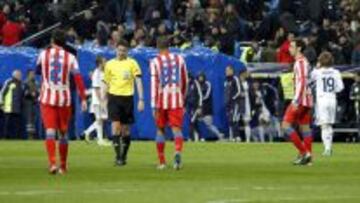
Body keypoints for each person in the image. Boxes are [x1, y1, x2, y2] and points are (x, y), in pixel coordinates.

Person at [37, 29, 87, 174]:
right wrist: (83, 98)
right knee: (63, 133)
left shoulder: (43, 54)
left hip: (47, 97)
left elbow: (38, 70)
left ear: (52, 41)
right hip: (64, 99)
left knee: (50, 132)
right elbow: (78, 79)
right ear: (65, 43)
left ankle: (52, 163)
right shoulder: (71, 57)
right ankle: (63, 166)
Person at [104, 39, 144, 166]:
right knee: (115, 127)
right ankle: (118, 156)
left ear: (127, 51)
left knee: (125, 130)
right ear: (116, 49)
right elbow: (106, 83)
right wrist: (102, 99)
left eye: (124, 51)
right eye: (119, 50)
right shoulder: (109, 64)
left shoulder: (132, 63)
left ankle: (124, 155)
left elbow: (138, 81)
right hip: (114, 97)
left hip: (127, 98)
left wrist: (141, 99)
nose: (121, 53)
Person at [150, 36, 188, 170]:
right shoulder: (180, 59)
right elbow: (185, 81)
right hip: (176, 98)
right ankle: (177, 152)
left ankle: (162, 162)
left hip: (161, 100)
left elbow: (154, 84)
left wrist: (154, 105)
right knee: (176, 129)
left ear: (157, 47)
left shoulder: (155, 62)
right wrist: (182, 98)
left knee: (160, 130)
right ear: (169, 46)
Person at [282, 39, 313, 166]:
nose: (290, 49)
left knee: (285, 125)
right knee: (305, 128)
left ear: (299, 48)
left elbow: (302, 82)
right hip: (307, 99)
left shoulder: (300, 62)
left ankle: (305, 152)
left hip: (300, 99)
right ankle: (308, 159)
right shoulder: (304, 62)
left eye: (292, 46)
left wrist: (296, 100)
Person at [311, 51, 344, 156]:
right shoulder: (336, 72)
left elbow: (310, 79)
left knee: (324, 125)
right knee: (329, 124)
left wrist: (316, 67)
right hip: (332, 99)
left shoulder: (317, 72)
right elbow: (340, 88)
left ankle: (327, 149)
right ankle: (328, 147)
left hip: (322, 100)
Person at [82, 56, 111, 146]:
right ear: (100, 63)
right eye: (104, 61)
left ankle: (87, 132)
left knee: (102, 119)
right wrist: (101, 100)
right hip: (97, 100)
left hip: (103, 99)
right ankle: (100, 140)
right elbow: (96, 88)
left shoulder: (104, 72)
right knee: (100, 119)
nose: (106, 63)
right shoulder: (96, 73)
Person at [197, 72, 224, 140]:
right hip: (199, 108)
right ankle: (198, 137)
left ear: (204, 77)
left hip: (207, 108)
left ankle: (220, 135)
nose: (200, 78)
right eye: (199, 77)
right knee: (196, 123)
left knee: (209, 125)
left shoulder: (207, 84)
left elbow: (207, 95)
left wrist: (200, 99)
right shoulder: (197, 85)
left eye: (201, 77)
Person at [0, 70, 23, 139]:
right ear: (15, 75)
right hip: (8, 108)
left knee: (15, 125)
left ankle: (14, 138)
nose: (21, 76)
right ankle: (5, 138)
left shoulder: (20, 84)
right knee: (7, 125)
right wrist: (1, 104)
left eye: (20, 75)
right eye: (19, 75)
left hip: (17, 109)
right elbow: (2, 93)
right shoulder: (9, 82)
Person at [224, 65, 241, 142]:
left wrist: (232, 99)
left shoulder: (235, 79)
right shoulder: (226, 81)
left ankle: (237, 137)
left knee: (234, 119)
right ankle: (232, 137)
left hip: (235, 103)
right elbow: (226, 93)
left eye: (228, 70)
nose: (226, 72)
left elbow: (239, 91)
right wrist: (226, 101)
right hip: (228, 104)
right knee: (230, 120)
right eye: (226, 71)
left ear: (232, 71)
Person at [185, 72, 203, 142]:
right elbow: (186, 97)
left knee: (192, 121)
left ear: (190, 78)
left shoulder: (195, 83)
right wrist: (184, 106)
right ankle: (201, 137)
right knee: (194, 123)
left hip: (196, 107)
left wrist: (200, 107)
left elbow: (200, 95)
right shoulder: (187, 85)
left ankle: (190, 137)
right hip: (189, 107)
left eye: (187, 78)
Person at [23, 69, 39, 139]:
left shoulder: (36, 82)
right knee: (29, 120)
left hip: (35, 103)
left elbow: (38, 91)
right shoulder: (25, 82)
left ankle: (33, 135)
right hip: (28, 103)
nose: (33, 75)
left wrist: (37, 93)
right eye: (31, 74)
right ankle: (29, 136)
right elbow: (24, 93)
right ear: (28, 74)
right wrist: (30, 93)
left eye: (33, 74)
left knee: (34, 119)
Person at [238, 71, 252, 142]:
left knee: (246, 122)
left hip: (247, 105)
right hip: (238, 105)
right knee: (236, 122)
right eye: (242, 75)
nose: (243, 76)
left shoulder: (249, 83)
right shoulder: (237, 84)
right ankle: (236, 138)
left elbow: (252, 94)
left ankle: (248, 139)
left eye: (245, 75)